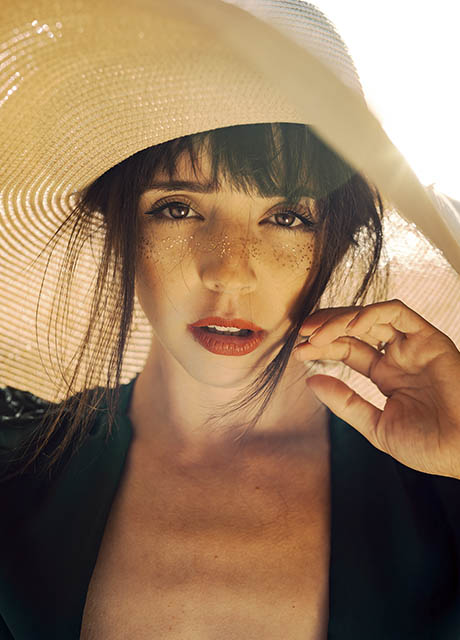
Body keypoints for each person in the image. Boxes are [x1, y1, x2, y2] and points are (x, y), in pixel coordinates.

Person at [1, 0, 460, 638]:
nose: (230, 272)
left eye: (288, 217)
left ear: (337, 242)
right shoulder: (12, 471)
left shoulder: (441, 482)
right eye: (178, 208)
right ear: (118, 226)